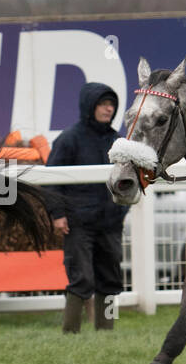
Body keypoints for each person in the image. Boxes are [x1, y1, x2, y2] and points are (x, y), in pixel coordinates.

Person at [46, 82, 127, 333]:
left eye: (111, 104)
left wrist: (121, 210)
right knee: (81, 279)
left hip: (111, 222)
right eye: (103, 104)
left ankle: (107, 332)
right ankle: (70, 333)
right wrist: (57, 214)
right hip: (78, 222)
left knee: (111, 279)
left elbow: (129, 180)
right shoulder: (69, 139)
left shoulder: (118, 141)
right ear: (89, 106)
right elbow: (50, 181)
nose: (108, 109)